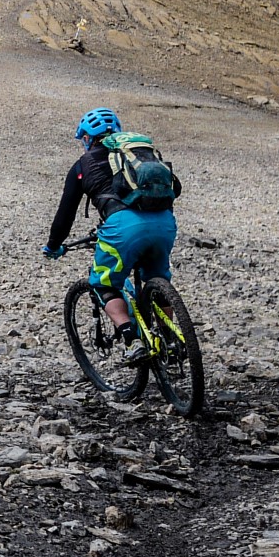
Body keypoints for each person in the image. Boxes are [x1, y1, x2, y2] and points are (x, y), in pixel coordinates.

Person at [42, 107, 182, 364]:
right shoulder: (139, 154)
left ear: (86, 138)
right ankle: (171, 340)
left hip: (122, 227)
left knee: (104, 283)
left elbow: (65, 215)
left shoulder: (83, 165)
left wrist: (54, 245)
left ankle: (132, 340)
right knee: (157, 278)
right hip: (164, 222)